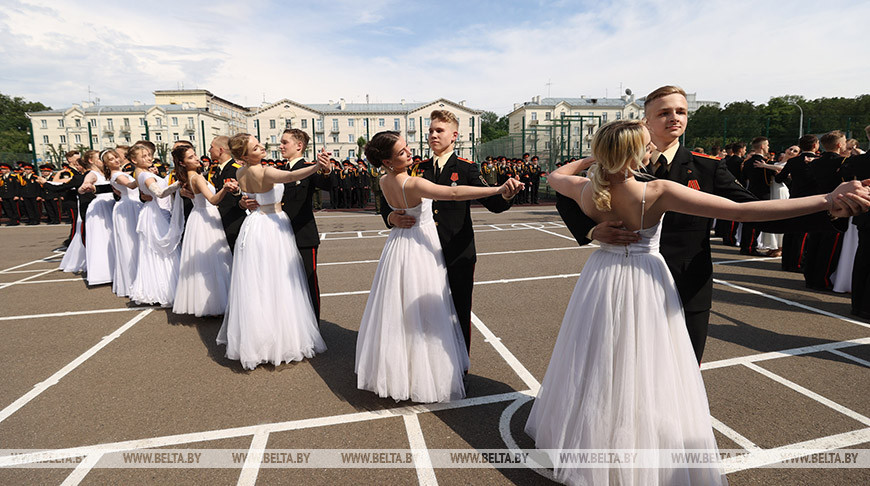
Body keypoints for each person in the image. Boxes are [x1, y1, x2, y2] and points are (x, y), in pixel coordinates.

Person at [527, 119, 869, 486]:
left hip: (601, 276)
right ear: (635, 153)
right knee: (648, 363)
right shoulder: (656, 190)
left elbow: (555, 175)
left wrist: (589, 163)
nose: (651, 150)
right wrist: (827, 199)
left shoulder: (583, 188)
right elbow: (742, 211)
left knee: (599, 358)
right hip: (645, 278)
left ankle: (595, 439)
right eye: (645, 146)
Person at [556, 86, 857, 363]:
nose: (675, 118)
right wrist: (591, 230)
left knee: (681, 371)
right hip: (628, 283)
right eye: (664, 112)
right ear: (644, 122)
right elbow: (563, 200)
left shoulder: (708, 166)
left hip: (686, 283)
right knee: (616, 362)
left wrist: (830, 211)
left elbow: (752, 209)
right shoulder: (622, 168)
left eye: (681, 111)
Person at [357, 132, 521, 403]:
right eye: (402, 152)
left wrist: (390, 215)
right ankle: (425, 374)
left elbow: (395, 209)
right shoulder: (413, 182)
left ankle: (399, 372)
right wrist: (497, 188)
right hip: (421, 249)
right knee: (427, 312)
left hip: (398, 247)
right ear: (387, 161)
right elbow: (454, 193)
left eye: (407, 148)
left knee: (398, 310)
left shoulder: (384, 180)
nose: (409, 153)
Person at [381, 110, 520, 356]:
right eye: (431, 130)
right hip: (422, 253)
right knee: (424, 312)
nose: (433, 135)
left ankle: (460, 364)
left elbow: (495, 205)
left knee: (459, 310)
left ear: (454, 136)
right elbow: (388, 202)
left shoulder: (466, 169)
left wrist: (506, 193)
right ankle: (429, 363)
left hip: (457, 251)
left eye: (439, 130)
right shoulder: (417, 168)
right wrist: (391, 217)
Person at [217, 133, 328, 370]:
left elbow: (248, 196)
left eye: (259, 143)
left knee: (258, 285)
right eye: (255, 147)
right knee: (279, 283)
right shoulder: (265, 171)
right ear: (244, 155)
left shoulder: (240, 172)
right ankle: (282, 338)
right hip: (273, 226)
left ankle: (258, 340)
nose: (262, 146)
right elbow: (291, 176)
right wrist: (317, 165)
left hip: (254, 225)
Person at [243, 129, 332, 322]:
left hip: (302, 235)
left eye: (285, 142)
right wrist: (246, 202)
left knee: (308, 282)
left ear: (299, 146)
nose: (280, 146)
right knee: (282, 284)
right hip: (276, 235)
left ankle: (312, 325)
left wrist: (325, 169)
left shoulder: (309, 167)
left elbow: (327, 184)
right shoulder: (276, 168)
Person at [172, 145, 237, 317]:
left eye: (195, 155)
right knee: (213, 260)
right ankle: (217, 302)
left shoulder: (188, 176)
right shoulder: (197, 178)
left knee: (205, 262)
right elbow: (213, 199)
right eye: (191, 157)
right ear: (182, 163)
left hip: (198, 217)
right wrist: (226, 188)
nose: (196, 158)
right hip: (206, 216)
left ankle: (208, 303)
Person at [129, 144, 184, 307]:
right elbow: (159, 192)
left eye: (149, 155)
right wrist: (178, 184)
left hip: (153, 211)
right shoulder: (145, 174)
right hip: (155, 214)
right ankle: (166, 289)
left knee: (155, 251)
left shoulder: (141, 173)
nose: (149, 158)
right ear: (134, 160)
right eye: (144, 156)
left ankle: (157, 288)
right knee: (163, 250)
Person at [78, 150, 117, 286]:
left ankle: (114, 269)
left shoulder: (106, 173)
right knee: (102, 238)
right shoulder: (92, 173)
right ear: (92, 161)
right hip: (101, 206)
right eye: (99, 159)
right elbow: (87, 182)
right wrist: (85, 186)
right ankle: (103, 272)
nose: (102, 162)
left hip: (111, 204)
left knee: (113, 238)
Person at [108, 149, 142, 297]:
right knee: (130, 241)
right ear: (106, 164)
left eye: (116, 157)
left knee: (135, 240)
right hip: (128, 207)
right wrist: (145, 175)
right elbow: (131, 185)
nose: (115, 160)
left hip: (132, 204)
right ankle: (131, 280)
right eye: (111, 159)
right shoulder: (116, 175)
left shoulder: (122, 172)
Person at [209, 136, 246, 251]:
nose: (209, 150)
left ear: (221, 150)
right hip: (220, 221)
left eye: (212, 147)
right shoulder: (216, 170)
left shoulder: (236, 169)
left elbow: (244, 194)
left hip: (233, 221)